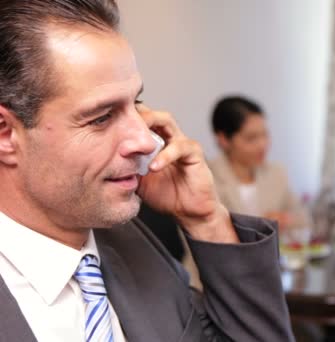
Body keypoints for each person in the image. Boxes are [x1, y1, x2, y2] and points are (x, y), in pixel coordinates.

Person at [0, 1, 294, 341]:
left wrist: (207, 221)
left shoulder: (135, 247)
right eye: (101, 117)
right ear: (6, 134)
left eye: (135, 104)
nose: (146, 139)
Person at [209, 95, 312, 231]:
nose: (263, 145)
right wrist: (261, 226)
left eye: (265, 135)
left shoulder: (276, 173)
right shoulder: (206, 178)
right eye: (251, 138)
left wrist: (286, 219)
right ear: (223, 140)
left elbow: (305, 220)